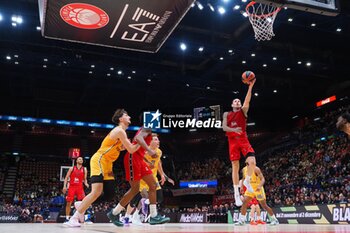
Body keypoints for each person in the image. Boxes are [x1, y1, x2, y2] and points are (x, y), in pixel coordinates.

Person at [64, 109, 141, 227]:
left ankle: (81, 204)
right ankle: (73, 218)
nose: (129, 116)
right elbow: (131, 149)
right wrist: (142, 142)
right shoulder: (119, 131)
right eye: (127, 115)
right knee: (96, 191)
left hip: (108, 164)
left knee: (110, 194)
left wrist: (125, 147)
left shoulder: (121, 133)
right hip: (99, 160)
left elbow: (122, 148)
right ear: (121, 119)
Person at [107, 128, 170, 226]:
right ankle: (114, 213)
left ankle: (153, 216)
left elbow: (140, 146)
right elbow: (138, 138)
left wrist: (150, 163)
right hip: (133, 159)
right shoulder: (146, 128)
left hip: (139, 159)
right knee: (134, 190)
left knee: (153, 185)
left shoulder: (150, 135)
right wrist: (149, 150)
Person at [124, 134, 175, 225]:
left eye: (158, 140)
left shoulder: (159, 152)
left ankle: (143, 208)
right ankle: (127, 217)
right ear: (149, 142)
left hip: (153, 178)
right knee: (134, 201)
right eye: (155, 140)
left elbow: (158, 162)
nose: (158, 141)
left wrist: (162, 175)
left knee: (159, 198)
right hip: (142, 179)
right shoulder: (142, 151)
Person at [223, 79, 256, 206]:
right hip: (232, 141)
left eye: (239, 101)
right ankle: (236, 193)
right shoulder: (227, 114)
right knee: (235, 167)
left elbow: (247, 100)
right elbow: (224, 127)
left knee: (252, 161)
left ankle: (247, 180)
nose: (237, 101)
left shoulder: (243, 112)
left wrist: (250, 87)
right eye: (235, 101)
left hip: (243, 139)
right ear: (232, 104)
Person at [62, 157, 89, 221]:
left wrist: (86, 183)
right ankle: (67, 218)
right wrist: (64, 186)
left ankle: (84, 217)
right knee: (69, 203)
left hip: (80, 187)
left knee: (84, 202)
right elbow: (66, 178)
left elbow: (85, 179)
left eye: (82, 159)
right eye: (79, 159)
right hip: (72, 187)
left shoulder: (84, 169)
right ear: (76, 161)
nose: (81, 160)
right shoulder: (72, 168)